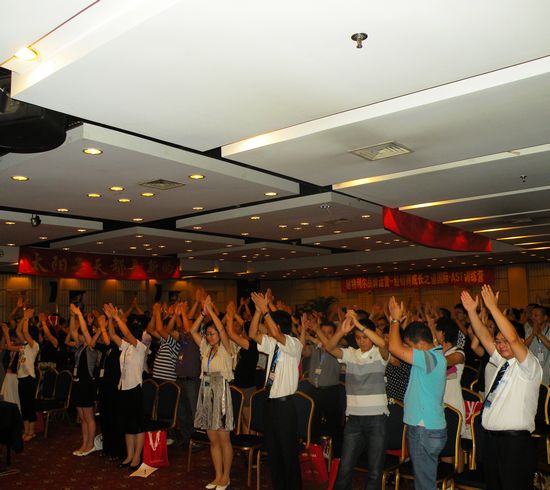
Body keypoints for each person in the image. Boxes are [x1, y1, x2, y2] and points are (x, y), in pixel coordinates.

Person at [461, 286, 542, 490]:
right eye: (498, 342)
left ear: (521, 342)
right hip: (492, 441)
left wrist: (493, 308)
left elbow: (512, 337)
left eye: (505, 341)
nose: (501, 345)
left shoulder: (529, 365)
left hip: (514, 444)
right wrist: (472, 312)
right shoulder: (502, 362)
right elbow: (485, 337)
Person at [322, 311, 389, 490]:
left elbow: (384, 344)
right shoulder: (350, 353)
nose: (361, 341)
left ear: (371, 335)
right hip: (354, 418)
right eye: (358, 337)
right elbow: (329, 347)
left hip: (376, 417)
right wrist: (341, 331)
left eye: (365, 337)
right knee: (345, 466)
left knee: (374, 470)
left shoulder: (380, 354)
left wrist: (360, 325)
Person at [387, 297, 447, 490]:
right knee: (426, 480)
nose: (407, 350)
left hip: (424, 429)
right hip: (429, 428)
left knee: (424, 484)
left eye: (409, 345)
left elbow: (394, 347)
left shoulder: (429, 358)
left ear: (420, 344)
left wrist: (395, 320)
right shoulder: (434, 356)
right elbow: (395, 347)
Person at [250, 290, 303, 490]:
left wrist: (266, 310)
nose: (266, 326)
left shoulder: (294, 344)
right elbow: (252, 334)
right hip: (271, 403)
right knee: (273, 451)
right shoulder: (273, 344)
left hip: (285, 405)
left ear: (278, 326)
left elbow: (276, 334)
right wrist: (258, 311)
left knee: (288, 452)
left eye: (270, 323)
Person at [190, 295, 235, 490]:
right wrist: (203, 313)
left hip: (221, 392)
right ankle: (217, 475)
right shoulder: (205, 349)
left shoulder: (226, 348)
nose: (209, 337)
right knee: (212, 439)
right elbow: (192, 330)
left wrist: (212, 312)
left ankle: (226, 476)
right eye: (207, 334)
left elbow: (223, 330)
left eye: (212, 334)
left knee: (224, 438)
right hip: (206, 392)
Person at [104, 303, 148, 471]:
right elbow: (112, 334)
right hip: (123, 389)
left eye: (129, 333)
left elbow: (127, 334)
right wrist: (110, 319)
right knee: (127, 426)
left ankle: (137, 456)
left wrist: (117, 317)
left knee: (137, 426)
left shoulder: (140, 348)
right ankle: (129, 455)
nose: (125, 335)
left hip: (135, 390)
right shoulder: (126, 347)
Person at [434, 317, 466, 472]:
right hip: (439, 402)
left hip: (453, 401)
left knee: (455, 442)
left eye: (436, 330)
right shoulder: (437, 351)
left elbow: (444, 362)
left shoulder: (458, 352)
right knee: (442, 443)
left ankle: (458, 477)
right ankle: (447, 479)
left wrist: (434, 351)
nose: (434, 333)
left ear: (443, 333)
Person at [225, 300, 258, 434]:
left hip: (247, 386)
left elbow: (230, 333)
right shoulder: (248, 343)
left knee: (248, 420)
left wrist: (230, 316)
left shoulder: (251, 344)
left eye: (244, 330)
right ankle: (246, 440)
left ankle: (252, 442)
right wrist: (234, 314)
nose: (242, 331)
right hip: (241, 384)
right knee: (244, 419)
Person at [524, 305, 550, 385]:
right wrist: (533, 334)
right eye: (532, 315)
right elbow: (523, 347)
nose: (533, 317)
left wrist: (539, 335)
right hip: (532, 374)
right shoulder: (528, 329)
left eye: (536, 315)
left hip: (547, 373)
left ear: (545, 318)